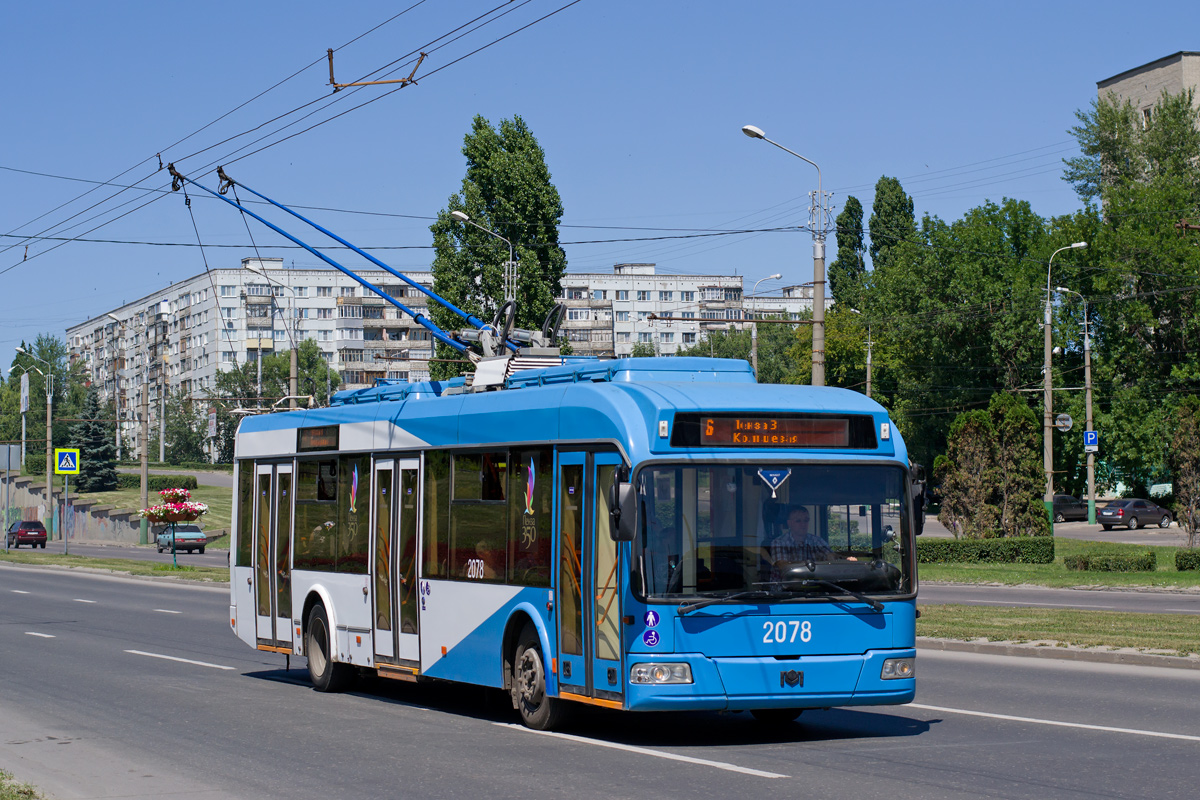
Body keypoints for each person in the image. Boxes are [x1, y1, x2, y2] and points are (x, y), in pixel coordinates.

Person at [769, 506, 854, 580]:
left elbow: (831, 555)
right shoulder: (779, 543)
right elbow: (783, 566)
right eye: (798, 521)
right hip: (784, 590)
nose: (803, 524)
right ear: (789, 523)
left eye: (806, 520)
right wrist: (809, 564)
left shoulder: (816, 541)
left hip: (814, 589)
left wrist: (845, 559)